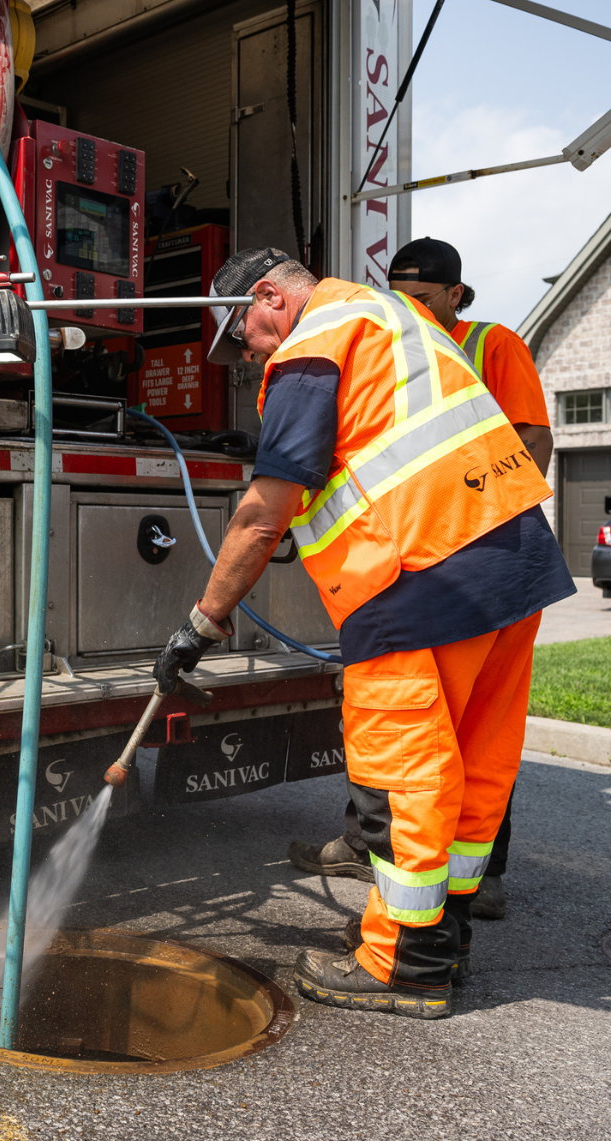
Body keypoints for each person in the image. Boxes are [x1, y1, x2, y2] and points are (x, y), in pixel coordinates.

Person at [154, 247, 574, 1018]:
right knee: (476, 766)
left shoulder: (315, 344)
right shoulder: (388, 318)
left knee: (401, 771)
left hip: (421, 575)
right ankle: (444, 942)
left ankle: (403, 966)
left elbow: (262, 510)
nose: (246, 356)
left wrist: (202, 623)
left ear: (271, 298)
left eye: (241, 335)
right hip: (509, 560)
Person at [286, 237, 554, 922]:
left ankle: (470, 881)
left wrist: (480, 521)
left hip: (467, 556)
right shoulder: (391, 336)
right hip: (406, 558)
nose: (412, 308)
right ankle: (374, 851)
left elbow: (533, 440)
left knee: (456, 736)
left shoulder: (492, 344)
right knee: (405, 729)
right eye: (401, 295)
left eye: (426, 298)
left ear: (457, 297)